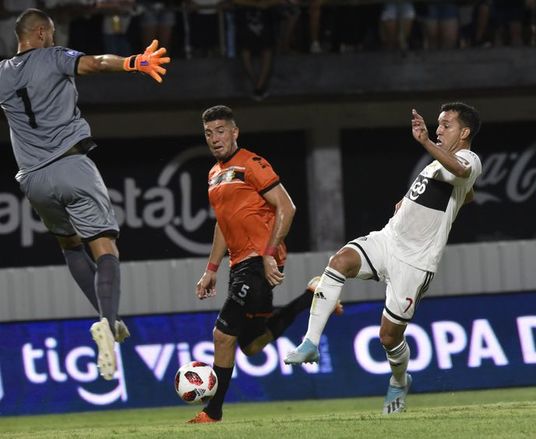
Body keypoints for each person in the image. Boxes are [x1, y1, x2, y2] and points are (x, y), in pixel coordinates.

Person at [0, 8, 169, 380]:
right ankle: (106, 324)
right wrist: (133, 62)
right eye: (54, 32)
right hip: (71, 166)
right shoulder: (54, 57)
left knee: (70, 245)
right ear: (42, 33)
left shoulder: (1, 73)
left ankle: (109, 319)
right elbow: (94, 63)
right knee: (105, 248)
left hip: (32, 180)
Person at [285, 102, 482, 415]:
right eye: (438, 124)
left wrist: (426, 142)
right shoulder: (438, 164)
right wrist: (412, 201)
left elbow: (462, 171)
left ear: (465, 132)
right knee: (340, 261)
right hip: (389, 240)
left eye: (446, 125)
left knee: (389, 337)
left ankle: (399, 379)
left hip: (416, 263)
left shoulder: (468, 158)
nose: (439, 129)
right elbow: (464, 189)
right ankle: (310, 343)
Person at [188, 105, 342, 424]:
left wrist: (270, 252)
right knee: (252, 345)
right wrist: (212, 270)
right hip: (239, 265)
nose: (214, 138)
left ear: (234, 132)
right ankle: (312, 295)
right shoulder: (214, 174)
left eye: (220, 131)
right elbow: (222, 224)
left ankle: (212, 411)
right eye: (208, 133)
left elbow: (287, 206)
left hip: (259, 261)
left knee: (222, 336)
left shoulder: (253, 163)